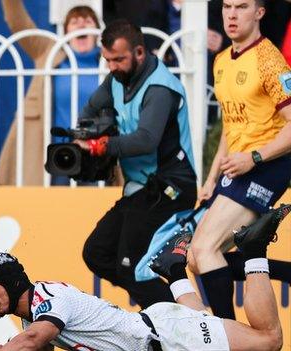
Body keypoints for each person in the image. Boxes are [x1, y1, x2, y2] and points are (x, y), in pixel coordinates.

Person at [0, 204, 289, 350]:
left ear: (14, 282)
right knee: (198, 323)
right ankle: (174, 271)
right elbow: (35, 346)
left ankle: (253, 252)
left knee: (269, 340)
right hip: (165, 334)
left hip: (168, 337)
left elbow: (33, 340)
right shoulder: (32, 318)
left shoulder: (47, 301)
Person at [75, 19, 197, 308]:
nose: (112, 67)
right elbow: (88, 114)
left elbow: (146, 140)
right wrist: (93, 129)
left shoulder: (160, 87)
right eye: (107, 60)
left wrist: (102, 144)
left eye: (119, 59)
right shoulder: (116, 79)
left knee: (131, 267)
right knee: (96, 253)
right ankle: (169, 314)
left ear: (139, 53)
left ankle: (176, 327)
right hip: (141, 190)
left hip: (170, 188)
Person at [188, 0, 291, 320]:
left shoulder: (269, 60)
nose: (232, 15)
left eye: (242, 7)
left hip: (268, 164)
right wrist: (211, 178)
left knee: (204, 250)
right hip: (238, 166)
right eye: (227, 7)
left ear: (259, 13)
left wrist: (254, 157)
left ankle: (228, 336)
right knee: (194, 257)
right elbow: (230, 127)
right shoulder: (221, 61)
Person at [0, 1, 103, 186]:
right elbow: (18, 23)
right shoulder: (48, 51)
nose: (81, 25)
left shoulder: (109, 62)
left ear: (97, 31)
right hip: (56, 154)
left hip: (96, 155)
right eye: (75, 21)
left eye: (87, 21)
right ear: (66, 32)